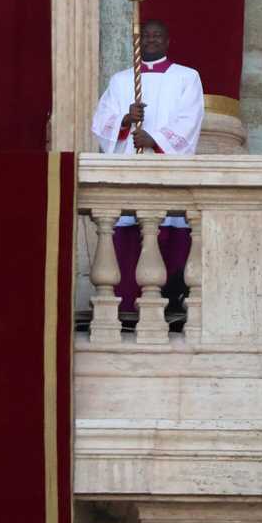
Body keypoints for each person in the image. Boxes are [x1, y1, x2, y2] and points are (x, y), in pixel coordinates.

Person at [90, 19, 204, 317]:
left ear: (167, 42)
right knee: (129, 238)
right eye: (147, 36)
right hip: (130, 169)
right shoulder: (120, 80)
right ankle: (126, 307)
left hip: (169, 171)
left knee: (168, 235)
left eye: (157, 36)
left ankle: (170, 308)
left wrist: (154, 138)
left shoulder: (187, 77)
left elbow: (189, 119)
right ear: (138, 43)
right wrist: (126, 121)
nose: (151, 40)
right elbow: (101, 122)